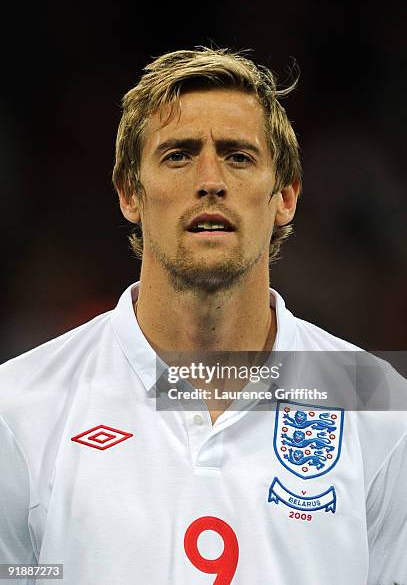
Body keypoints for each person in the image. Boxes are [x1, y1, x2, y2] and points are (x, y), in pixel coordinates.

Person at [0, 47, 406, 585]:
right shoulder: (19, 406)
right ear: (130, 193)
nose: (210, 180)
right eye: (179, 155)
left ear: (284, 196)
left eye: (238, 156)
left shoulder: (374, 400)